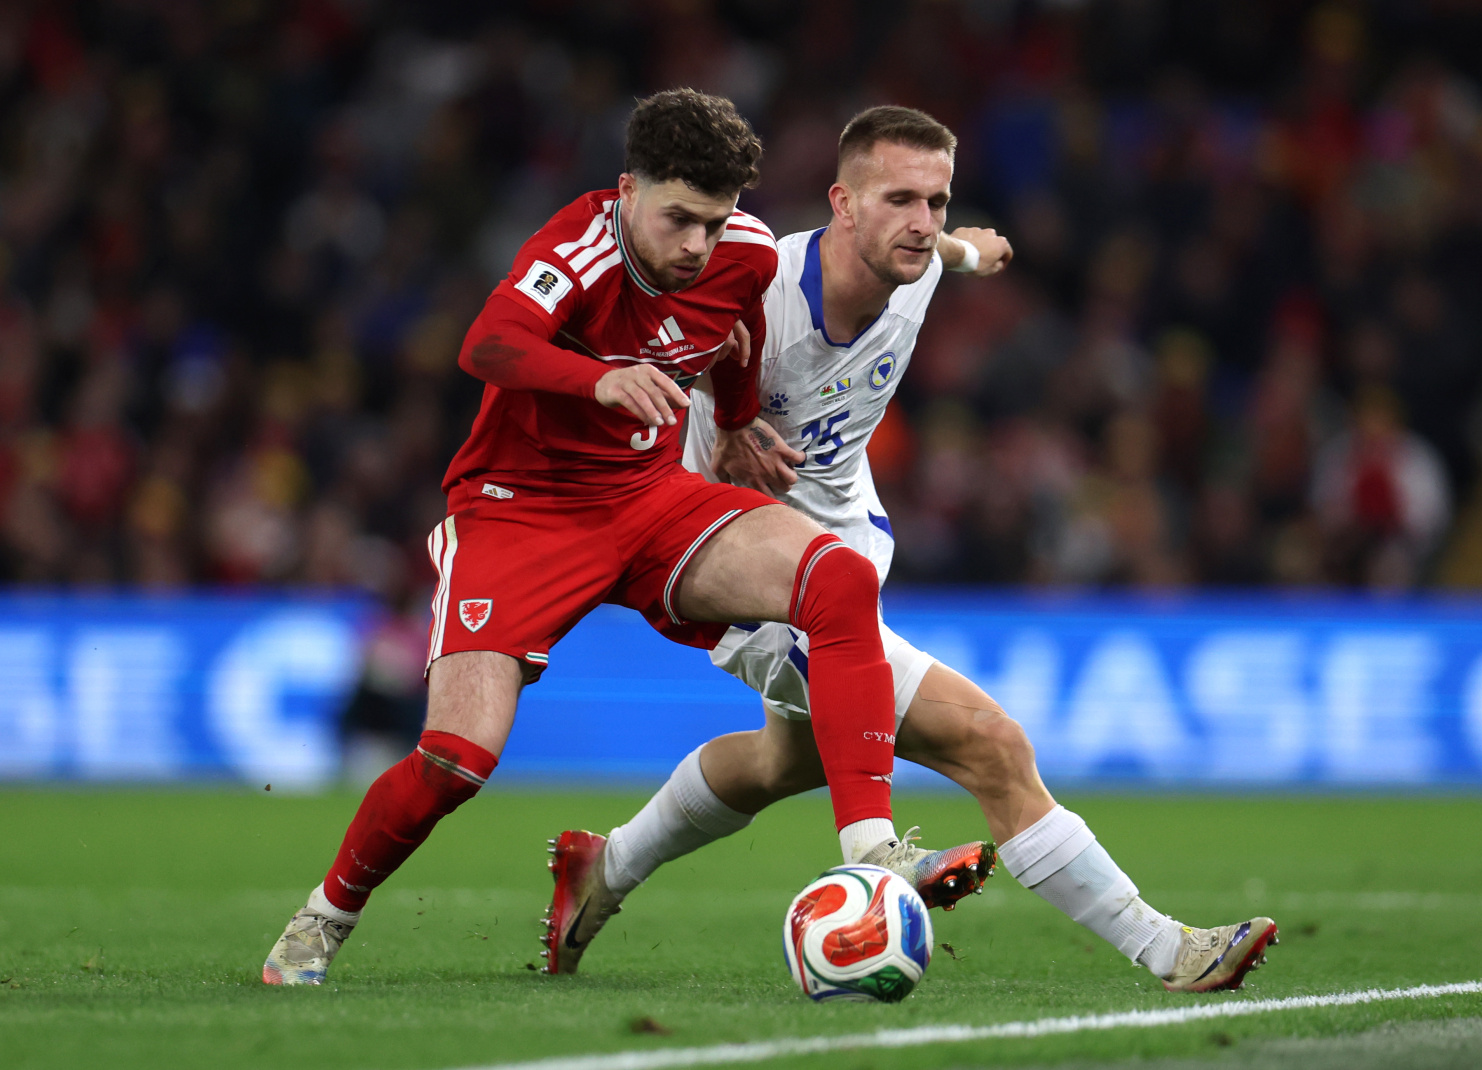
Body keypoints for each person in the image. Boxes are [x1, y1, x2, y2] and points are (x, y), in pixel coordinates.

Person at [546, 106, 1278, 992]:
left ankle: (607, 865)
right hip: (748, 574)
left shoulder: (920, 262)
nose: (923, 223)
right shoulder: (754, 289)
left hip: (844, 543)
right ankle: (1167, 949)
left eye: (937, 201)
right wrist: (719, 422)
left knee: (784, 761)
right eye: (899, 200)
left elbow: (947, 251)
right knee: (989, 742)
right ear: (841, 204)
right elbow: (633, 355)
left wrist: (975, 250)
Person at [263, 90, 982, 986]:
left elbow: (741, 326)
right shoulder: (577, 248)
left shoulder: (743, 251)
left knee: (837, 577)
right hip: (519, 511)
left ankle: (872, 852)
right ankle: (322, 919)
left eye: (715, 221)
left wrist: (736, 422)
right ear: (628, 190)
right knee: (456, 761)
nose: (698, 245)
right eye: (679, 219)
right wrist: (596, 381)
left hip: (646, 497)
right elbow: (487, 344)